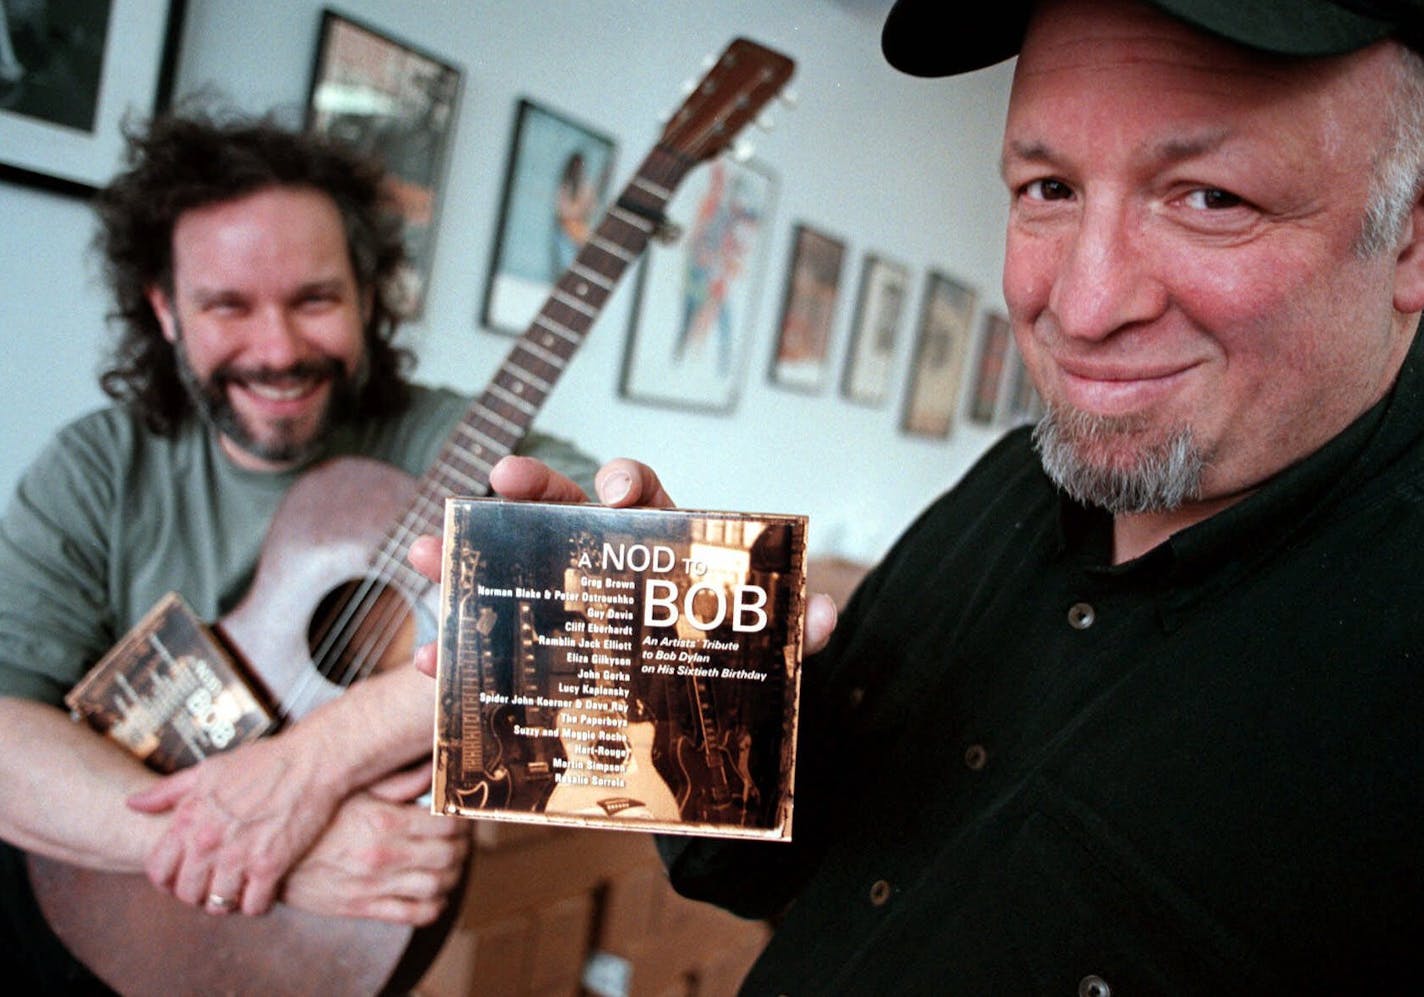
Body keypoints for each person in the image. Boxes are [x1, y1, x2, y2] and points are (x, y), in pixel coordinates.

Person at [583, 0, 1424, 992]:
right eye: (1049, 187)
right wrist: (662, 668)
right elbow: (767, 860)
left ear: (1408, 243)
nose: (1080, 304)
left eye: (1208, 198)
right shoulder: (1016, 477)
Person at [0, 111, 597, 991]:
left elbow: (617, 613)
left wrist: (321, 758)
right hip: (74, 934)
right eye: (228, 305)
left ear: (366, 293)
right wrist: (260, 839)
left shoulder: (457, 442)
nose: (277, 350)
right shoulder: (98, 468)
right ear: (165, 309)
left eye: (314, 299)